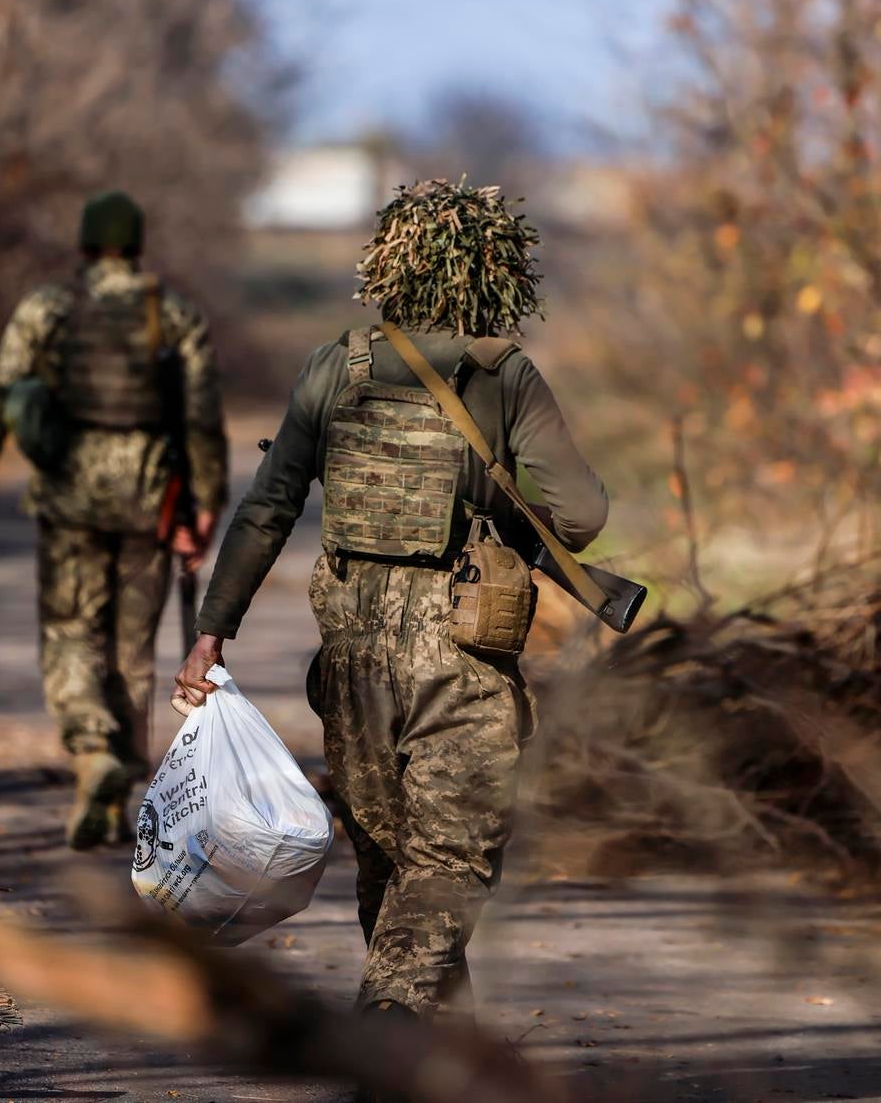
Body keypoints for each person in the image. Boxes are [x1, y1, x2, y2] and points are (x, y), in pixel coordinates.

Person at [173, 179, 609, 1020]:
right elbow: (583, 517)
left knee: (392, 867)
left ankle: (445, 1056)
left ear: (389, 266)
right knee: (449, 867)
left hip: (354, 667)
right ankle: (388, 1031)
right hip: (465, 660)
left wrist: (209, 634)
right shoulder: (505, 374)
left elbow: (267, 507)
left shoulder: (340, 365)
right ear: (498, 273)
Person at [0, 190, 227, 850]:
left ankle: (90, 750)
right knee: (132, 649)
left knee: (72, 635)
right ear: (136, 246)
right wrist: (207, 503)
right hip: (149, 501)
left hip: (69, 502)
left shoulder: (48, 308)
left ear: (83, 245)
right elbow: (200, 418)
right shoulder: (176, 316)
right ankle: (122, 784)